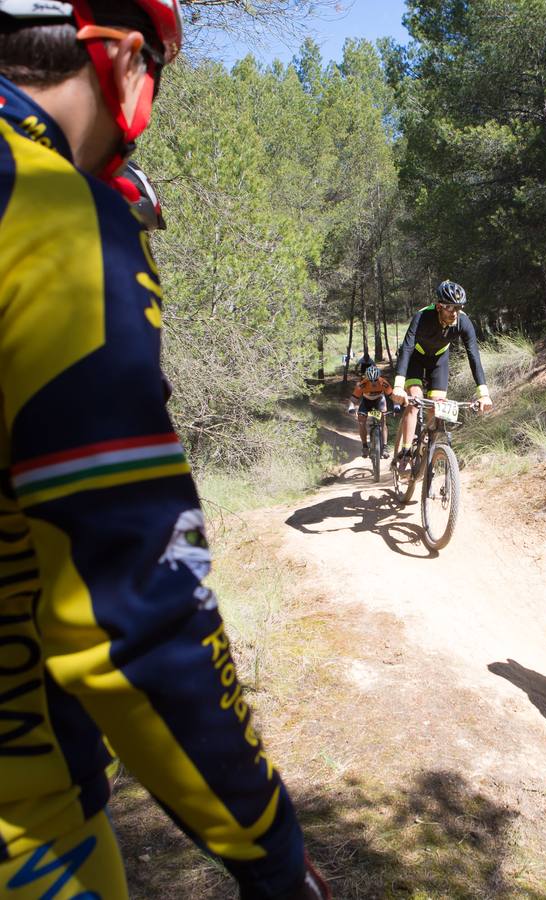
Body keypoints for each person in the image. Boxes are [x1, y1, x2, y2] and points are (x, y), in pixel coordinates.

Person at [0, 2, 329, 897]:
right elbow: (138, 605)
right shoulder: (52, 215)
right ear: (128, 64)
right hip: (25, 823)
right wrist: (271, 847)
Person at [390, 280, 493, 454]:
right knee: (415, 399)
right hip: (416, 356)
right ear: (439, 307)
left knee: (436, 406)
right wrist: (398, 386)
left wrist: (484, 394)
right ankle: (406, 452)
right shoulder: (422, 317)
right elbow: (407, 348)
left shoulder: (464, 322)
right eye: (450, 308)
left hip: (439, 359)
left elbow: (474, 356)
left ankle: (428, 452)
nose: (455, 313)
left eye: (458, 308)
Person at [349, 364, 393, 458]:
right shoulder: (362, 384)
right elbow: (354, 398)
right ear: (366, 378)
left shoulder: (383, 382)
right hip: (366, 403)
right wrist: (351, 407)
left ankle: (384, 448)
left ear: (379, 377)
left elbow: (392, 396)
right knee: (361, 422)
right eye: (370, 380)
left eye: (375, 380)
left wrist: (397, 406)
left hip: (379, 402)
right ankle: (365, 446)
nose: (373, 382)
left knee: (383, 421)